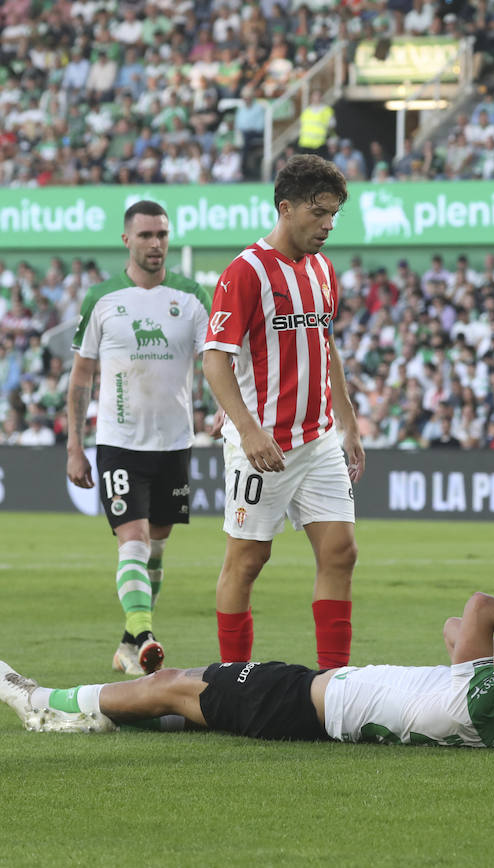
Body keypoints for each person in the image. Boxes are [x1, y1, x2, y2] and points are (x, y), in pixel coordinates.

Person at [0, 591, 494, 750]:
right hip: (312, 706)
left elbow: (477, 608)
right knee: (192, 712)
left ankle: (45, 703)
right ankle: (95, 722)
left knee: (174, 685)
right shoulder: (488, 715)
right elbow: (455, 630)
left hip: (301, 701)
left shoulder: (482, 703)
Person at [202, 154, 365, 669]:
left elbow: (326, 345)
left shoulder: (321, 269)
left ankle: (335, 685)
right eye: (319, 213)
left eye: (334, 214)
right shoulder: (245, 271)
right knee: (248, 560)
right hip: (263, 445)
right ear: (286, 207)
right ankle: (232, 681)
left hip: (317, 440)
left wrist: (349, 423)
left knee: (341, 552)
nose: (328, 225)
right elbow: (214, 360)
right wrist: (247, 430)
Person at [66, 200, 212, 675]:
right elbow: (81, 377)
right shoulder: (102, 299)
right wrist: (75, 445)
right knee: (132, 538)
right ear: (127, 240)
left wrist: (230, 415)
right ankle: (146, 634)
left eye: (162, 235)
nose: (156, 244)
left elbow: (215, 362)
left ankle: (130, 642)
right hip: (119, 442)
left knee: (157, 547)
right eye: (146, 235)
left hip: (174, 442)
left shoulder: (191, 297)